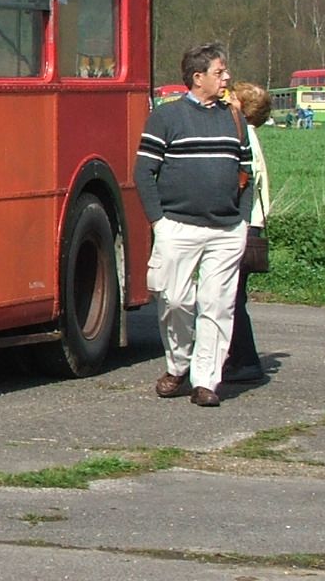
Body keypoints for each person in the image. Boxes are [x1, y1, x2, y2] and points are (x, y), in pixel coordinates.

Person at [134, 42, 253, 408]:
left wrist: (243, 221)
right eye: (220, 72)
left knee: (217, 305)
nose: (227, 78)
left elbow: (246, 172)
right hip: (177, 227)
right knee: (175, 300)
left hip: (226, 230)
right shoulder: (166, 118)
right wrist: (159, 222)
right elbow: (143, 172)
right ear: (197, 77)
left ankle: (206, 382)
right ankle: (179, 365)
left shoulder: (234, 118)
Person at [224, 81, 272, 384]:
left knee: (232, 296)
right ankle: (238, 358)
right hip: (252, 222)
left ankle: (246, 359)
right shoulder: (250, 135)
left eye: (233, 98)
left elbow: (244, 180)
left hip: (246, 223)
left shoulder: (245, 137)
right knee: (233, 295)